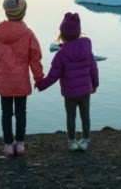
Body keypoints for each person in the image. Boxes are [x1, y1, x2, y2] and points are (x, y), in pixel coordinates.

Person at [0, 0, 44, 157]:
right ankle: (20, 144)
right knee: (21, 112)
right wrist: (39, 78)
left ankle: (8, 145)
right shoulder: (28, 34)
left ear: (6, 12)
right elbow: (35, 58)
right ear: (23, 13)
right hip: (21, 80)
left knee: (6, 113)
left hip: (3, 80)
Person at [36, 12, 99, 151]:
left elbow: (53, 76)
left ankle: (72, 142)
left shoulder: (61, 55)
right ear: (78, 32)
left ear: (62, 34)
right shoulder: (87, 50)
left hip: (70, 92)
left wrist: (41, 84)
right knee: (85, 115)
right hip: (85, 90)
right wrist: (95, 84)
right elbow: (94, 69)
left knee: (71, 116)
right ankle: (85, 140)